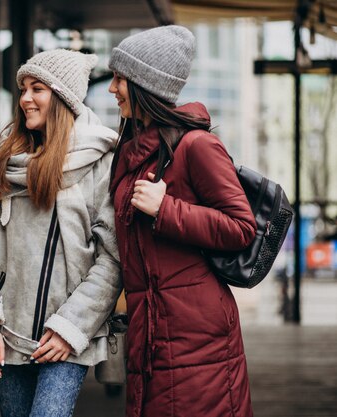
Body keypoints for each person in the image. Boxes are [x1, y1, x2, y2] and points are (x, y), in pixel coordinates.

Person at [107, 25, 256, 417]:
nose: (112, 89)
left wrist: (167, 209)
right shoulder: (132, 152)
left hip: (199, 340)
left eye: (119, 78)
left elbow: (242, 227)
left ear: (144, 83)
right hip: (151, 333)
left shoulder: (197, 146)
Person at [0, 49, 123, 417]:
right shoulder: (4, 159)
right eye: (23, 88)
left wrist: (70, 327)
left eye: (37, 88)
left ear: (63, 97)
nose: (24, 99)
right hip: (9, 332)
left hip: (67, 336)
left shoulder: (102, 159)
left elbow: (111, 256)